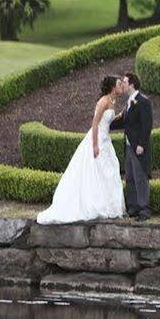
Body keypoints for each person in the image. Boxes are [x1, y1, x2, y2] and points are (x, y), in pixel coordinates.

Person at [36, 75, 127, 225]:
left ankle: (108, 204)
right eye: (119, 84)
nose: (121, 86)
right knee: (96, 169)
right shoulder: (103, 101)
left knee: (109, 169)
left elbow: (107, 120)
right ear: (112, 87)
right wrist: (95, 145)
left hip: (106, 140)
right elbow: (96, 123)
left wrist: (119, 116)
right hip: (98, 139)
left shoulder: (112, 101)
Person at [110, 72, 154, 221]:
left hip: (137, 147)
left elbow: (147, 125)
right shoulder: (129, 102)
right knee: (130, 178)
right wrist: (106, 124)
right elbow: (124, 121)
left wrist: (141, 144)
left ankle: (144, 210)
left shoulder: (142, 101)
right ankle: (133, 208)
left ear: (132, 84)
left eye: (125, 82)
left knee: (140, 178)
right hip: (128, 146)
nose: (123, 84)